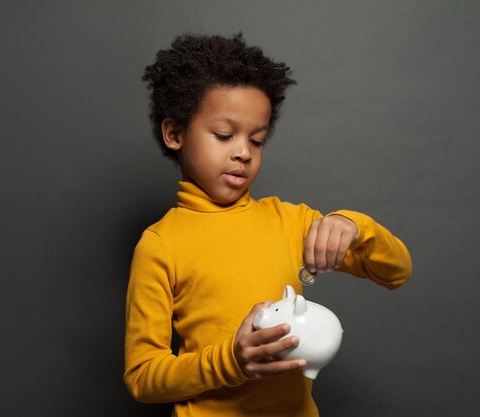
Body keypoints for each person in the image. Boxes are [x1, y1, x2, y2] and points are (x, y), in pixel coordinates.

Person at [124, 33, 412, 417]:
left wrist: (355, 226)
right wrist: (231, 362)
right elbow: (143, 376)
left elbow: (398, 271)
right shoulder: (160, 245)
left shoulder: (292, 222)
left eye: (257, 141)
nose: (243, 152)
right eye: (225, 136)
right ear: (175, 134)